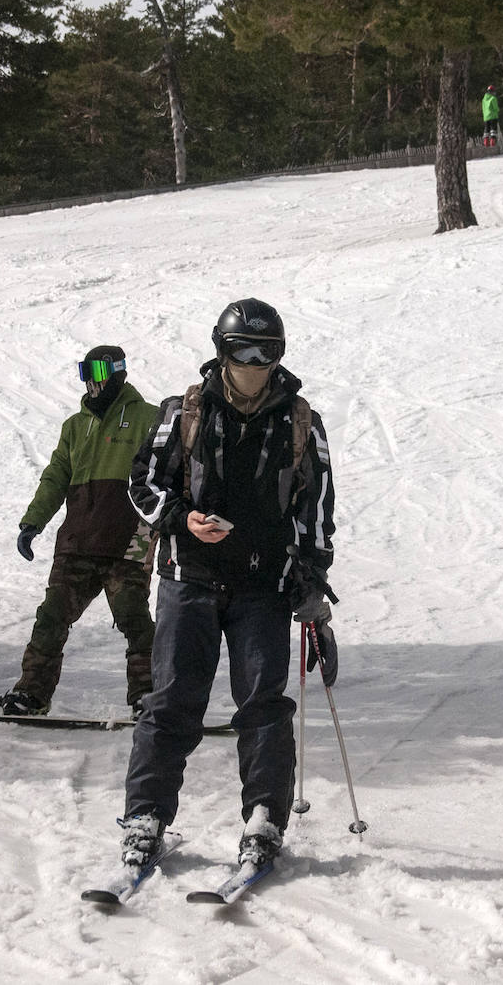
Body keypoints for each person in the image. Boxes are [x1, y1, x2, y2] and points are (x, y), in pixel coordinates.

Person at [117, 298, 337, 876]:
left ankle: (264, 817)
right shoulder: (183, 411)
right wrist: (178, 519)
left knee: (263, 707)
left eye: (266, 353)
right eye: (242, 350)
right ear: (220, 350)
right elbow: (142, 483)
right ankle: (145, 818)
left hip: (263, 585)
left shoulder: (300, 421)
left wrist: (311, 580)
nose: (253, 364)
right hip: (188, 578)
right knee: (170, 703)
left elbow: (316, 509)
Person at [1, 346, 158, 718]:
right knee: (52, 616)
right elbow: (56, 476)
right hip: (79, 539)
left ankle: (148, 695)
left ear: (118, 372)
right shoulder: (75, 425)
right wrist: (32, 522)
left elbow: (165, 477)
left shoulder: (148, 419)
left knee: (133, 616)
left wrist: (162, 527)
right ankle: (32, 694)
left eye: (98, 370)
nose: (91, 379)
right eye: (84, 371)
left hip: (131, 537)